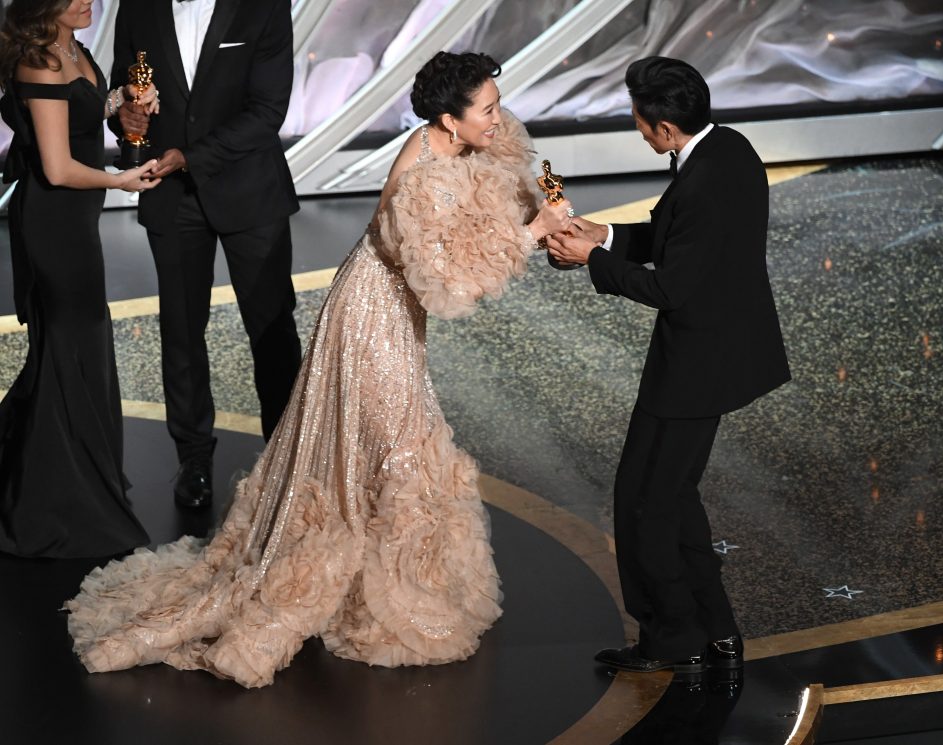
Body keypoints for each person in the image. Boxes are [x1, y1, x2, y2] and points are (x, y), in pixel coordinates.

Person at [65, 51, 573, 688]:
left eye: (498, 104)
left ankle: (386, 576)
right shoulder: (419, 176)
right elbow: (448, 283)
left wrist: (543, 217)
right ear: (448, 119)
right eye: (488, 110)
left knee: (380, 444)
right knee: (396, 445)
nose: (499, 118)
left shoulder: (464, 144)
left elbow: (496, 198)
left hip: (392, 309)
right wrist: (531, 236)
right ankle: (373, 587)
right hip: (371, 313)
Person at [547, 57, 790, 677]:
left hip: (695, 364)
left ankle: (670, 638)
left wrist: (592, 263)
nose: (636, 127)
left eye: (639, 119)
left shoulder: (704, 179)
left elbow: (671, 288)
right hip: (715, 353)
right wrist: (602, 235)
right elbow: (674, 233)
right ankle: (716, 631)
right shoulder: (727, 149)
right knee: (671, 497)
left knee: (643, 503)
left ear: (663, 130)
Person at [109, 0, 303, 509]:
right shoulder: (138, 7)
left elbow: (267, 111)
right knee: (181, 333)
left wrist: (192, 157)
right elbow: (123, 89)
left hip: (249, 192)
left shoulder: (263, 6)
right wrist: (124, 117)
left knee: (272, 330)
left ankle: (287, 459)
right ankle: (193, 460)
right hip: (172, 199)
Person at [0, 0, 161, 558]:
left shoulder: (73, 47)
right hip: (53, 221)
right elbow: (57, 168)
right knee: (74, 344)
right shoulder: (40, 62)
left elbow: (84, 107)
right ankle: (56, 501)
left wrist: (122, 100)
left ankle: (79, 483)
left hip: (76, 221)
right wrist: (123, 181)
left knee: (78, 345)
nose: (87, 1)